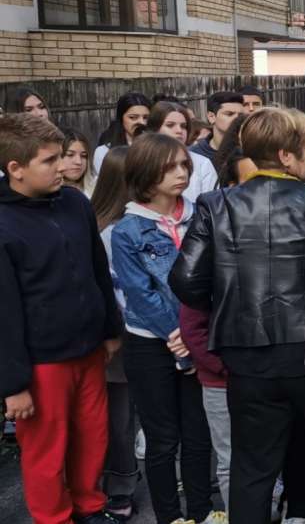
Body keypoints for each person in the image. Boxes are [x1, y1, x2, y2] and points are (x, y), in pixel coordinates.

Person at [170, 107, 305, 524]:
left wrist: (230, 301)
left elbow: (186, 281)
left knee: (251, 469)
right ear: (286, 154)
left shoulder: (216, 203)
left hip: (246, 354)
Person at [0, 113, 124, 524]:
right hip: (41, 363)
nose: (64, 168)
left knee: (92, 438)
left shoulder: (74, 202)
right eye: (50, 161)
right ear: (15, 169)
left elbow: (96, 267)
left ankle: (89, 507)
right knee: (47, 450)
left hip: (89, 349)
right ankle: (54, 517)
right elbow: (4, 310)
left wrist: (109, 329)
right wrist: (14, 385)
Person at [111, 133, 223, 524]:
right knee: (162, 439)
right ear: (146, 172)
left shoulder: (202, 214)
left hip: (196, 339)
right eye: (171, 166)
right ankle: (171, 517)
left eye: (184, 166)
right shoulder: (127, 231)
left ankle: (202, 511)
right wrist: (179, 337)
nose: (182, 173)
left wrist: (192, 338)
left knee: (198, 434)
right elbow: (139, 294)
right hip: (150, 345)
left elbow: (216, 277)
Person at [90, 146, 141, 521]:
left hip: (122, 334)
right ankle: (118, 487)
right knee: (118, 419)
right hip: (117, 336)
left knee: (118, 418)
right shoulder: (107, 230)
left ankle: (114, 485)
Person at [147, 100, 218, 201]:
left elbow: (212, 204)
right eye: (170, 125)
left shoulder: (202, 163)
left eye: (183, 126)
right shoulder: (143, 161)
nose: (179, 131)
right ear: (155, 128)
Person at [95, 93, 152, 172]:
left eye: (146, 118)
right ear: (121, 119)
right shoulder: (104, 152)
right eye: (133, 117)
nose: (142, 122)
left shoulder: (157, 148)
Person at [191, 92, 245, 163]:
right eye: (229, 114)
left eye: (240, 115)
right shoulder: (194, 155)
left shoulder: (250, 150)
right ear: (211, 117)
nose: (236, 119)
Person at [62, 127, 97, 197]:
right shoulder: (45, 193)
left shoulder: (97, 187)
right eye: (70, 155)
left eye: (84, 156)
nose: (78, 162)